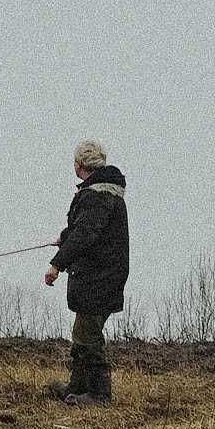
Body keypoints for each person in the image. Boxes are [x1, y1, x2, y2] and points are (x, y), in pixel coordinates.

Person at [42, 139, 129, 402]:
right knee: (81, 333)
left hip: (100, 277)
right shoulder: (99, 194)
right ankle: (77, 388)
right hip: (97, 275)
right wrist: (65, 236)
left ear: (79, 165)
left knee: (88, 335)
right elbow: (84, 229)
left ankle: (99, 395)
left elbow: (86, 235)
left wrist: (57, 264)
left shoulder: (98, 196)